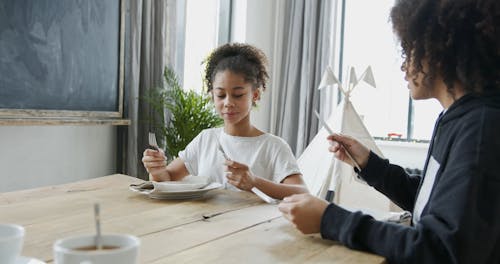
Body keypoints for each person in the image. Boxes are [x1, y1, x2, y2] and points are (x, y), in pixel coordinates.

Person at [278, 0, 500, 262]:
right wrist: (368, 163)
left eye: (409, 51)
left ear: (439, 50)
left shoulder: (481, 128)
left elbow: (442, 250)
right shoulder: (456, 119)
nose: (403, 66)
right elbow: (429, 201)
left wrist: (330, 219)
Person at [142, 43, 308, 199]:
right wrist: (157, 170)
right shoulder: (205, 139)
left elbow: (303, 194)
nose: (228, 102)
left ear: (255, 95)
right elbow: (168, 178)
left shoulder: (273, 146)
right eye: (221, 95)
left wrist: (254, 182)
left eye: (238, 95)